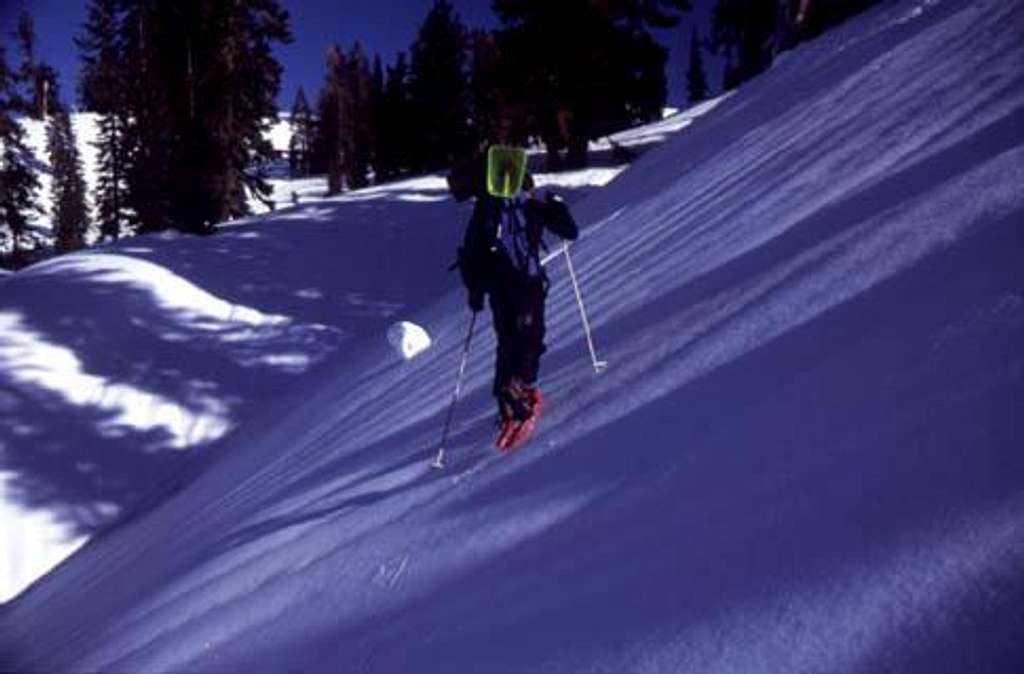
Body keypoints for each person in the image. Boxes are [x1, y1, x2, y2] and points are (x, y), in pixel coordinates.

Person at [448, 144, 578, 450]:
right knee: (530, 339)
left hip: (499, 290)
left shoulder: (484, 213)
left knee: (509, 341)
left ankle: (507, 400)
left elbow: (472, 257)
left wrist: (475, 294)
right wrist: (557, 205)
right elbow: (571, 232)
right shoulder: (528, 204)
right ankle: (518, 394)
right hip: (528, 282)